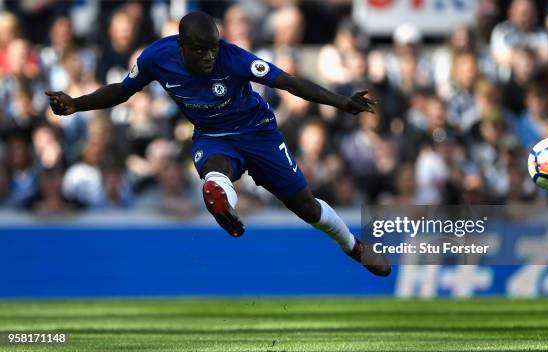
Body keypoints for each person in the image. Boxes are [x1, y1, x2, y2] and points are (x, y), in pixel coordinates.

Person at [45, 11, 390, 277]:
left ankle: (354, 246)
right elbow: (122, 90)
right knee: (214, 171)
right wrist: (77, 103)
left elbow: (287, 81)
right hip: (211, 136)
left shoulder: (233, 57)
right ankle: (221, 199)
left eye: (212, 48)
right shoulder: (155, 58)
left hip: (258, 133)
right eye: (200, 50)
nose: (209, 56)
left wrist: (341, 102)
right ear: (181, 46)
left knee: (307, 208)